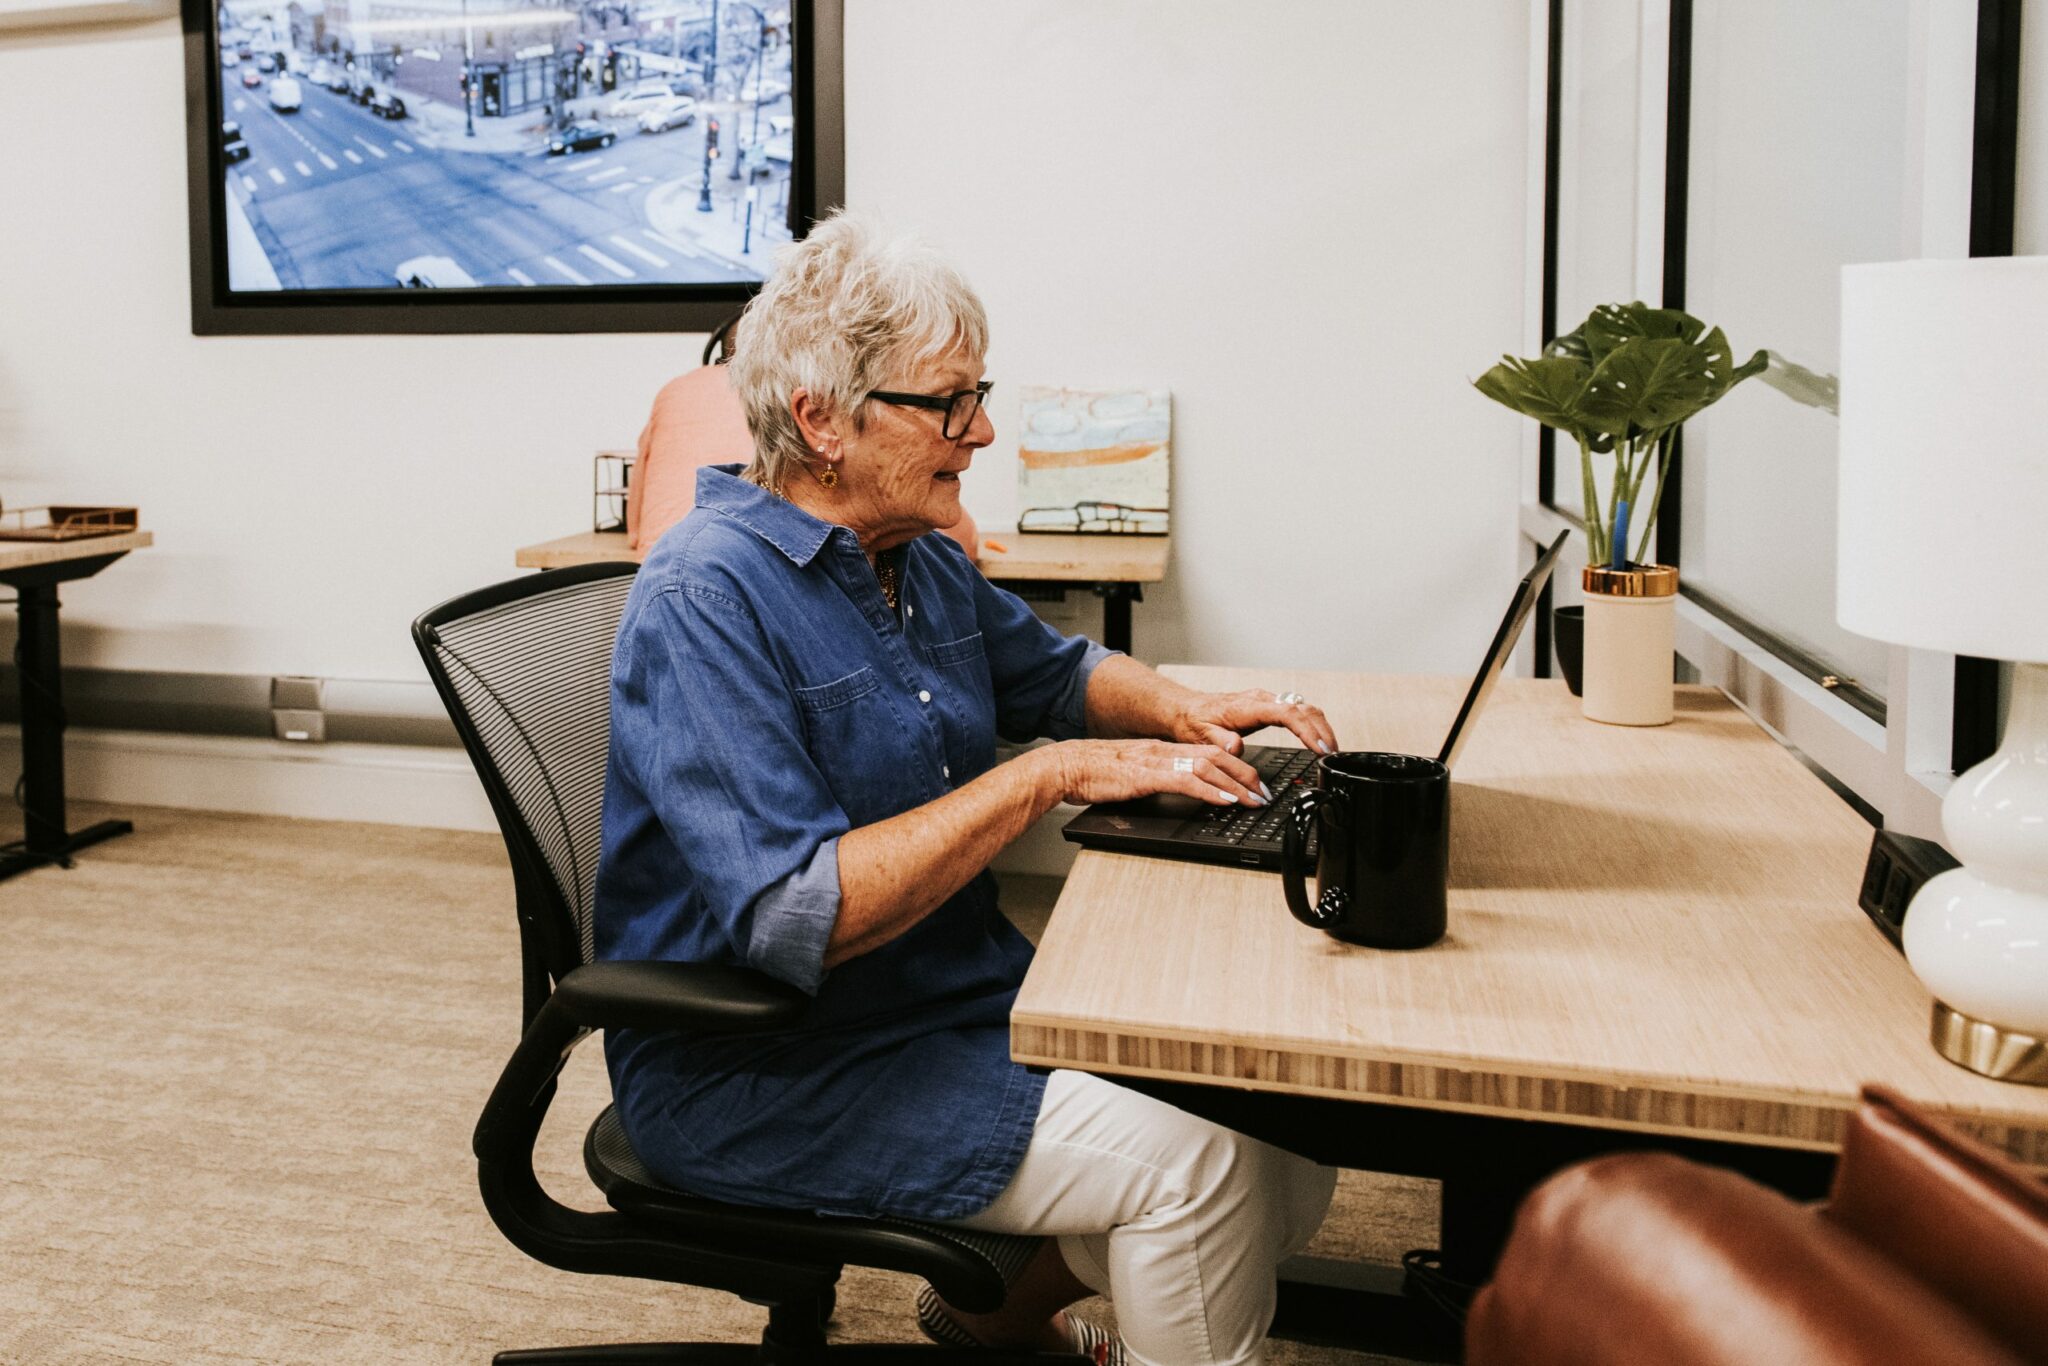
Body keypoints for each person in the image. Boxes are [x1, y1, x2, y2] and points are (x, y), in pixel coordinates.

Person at [595, 210, 1340, 1366]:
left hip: (948, 1000)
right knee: (1197, 1166)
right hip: (765, 1067)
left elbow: (1061, 674)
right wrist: (1041, 777)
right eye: (945, 403)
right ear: (819, 419)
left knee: (1280, 1130)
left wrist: (1185, 708)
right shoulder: (703, 599)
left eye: (974, 394)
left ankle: (994, 1311)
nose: (980, 430)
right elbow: (804, 913)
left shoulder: (914, 553)